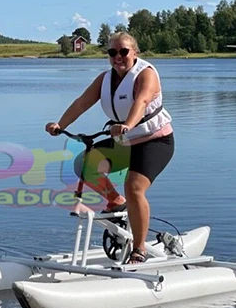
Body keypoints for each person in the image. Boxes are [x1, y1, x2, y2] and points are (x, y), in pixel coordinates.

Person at [45, 32, 174, 263]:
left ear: (135, 52)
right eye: (112, 52)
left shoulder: (146, 75)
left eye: (123, 51)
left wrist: (126, 125)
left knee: (134, 187)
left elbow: (141, 101)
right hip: (126, 142)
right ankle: (116, 202)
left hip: (155, 141)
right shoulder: (105, 79)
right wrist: (60, 124)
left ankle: (139, 249)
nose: (118, 57)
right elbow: (82, 103)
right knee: (85, 164)